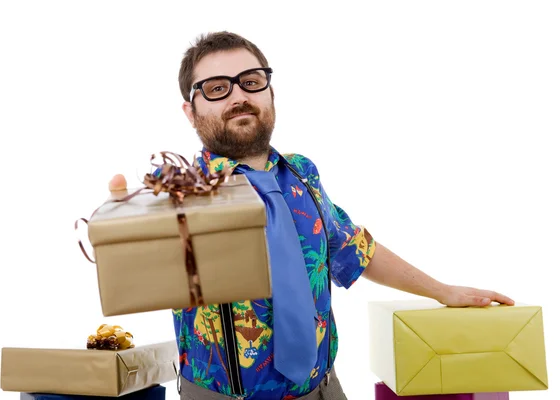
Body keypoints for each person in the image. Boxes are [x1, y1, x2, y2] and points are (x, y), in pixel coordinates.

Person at [108, 31, 514, 400]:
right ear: (190, 111)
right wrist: (126, 221)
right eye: (216, 89)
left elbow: (355, 248)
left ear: (269, 92)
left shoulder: (303, 174)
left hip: (325, 387)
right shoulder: (180, 192)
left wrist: (443, 291)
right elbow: (144, 272)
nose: (238, 97)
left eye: (250, 82)